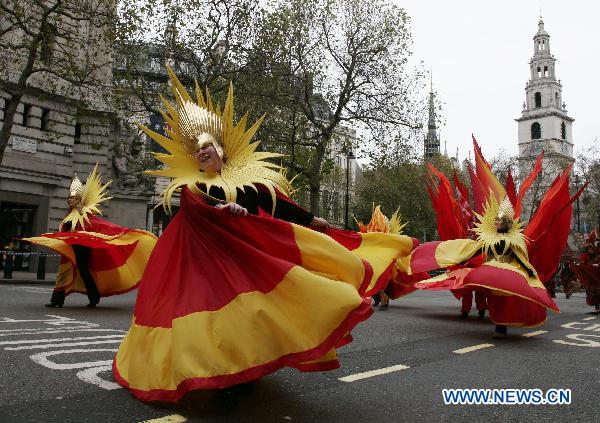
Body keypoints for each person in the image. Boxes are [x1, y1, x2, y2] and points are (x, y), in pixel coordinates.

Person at [114, 69, 403, 402]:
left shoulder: (248, 181)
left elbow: (276, 204)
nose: (201, 153)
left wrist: (314, 220)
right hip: (208, 263)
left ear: (221, 149)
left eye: (207, 147)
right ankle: (224, 373)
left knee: (254, 314)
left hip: (250, 260)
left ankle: (243, 369)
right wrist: (224, 211)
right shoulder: (194, 185)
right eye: (196, 151)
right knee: (219, 318)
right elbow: (197, 207)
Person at [24, 165, 157, 308]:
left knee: (83, 270)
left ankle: (93, 296)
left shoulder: (85, 214)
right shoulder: (69, 215)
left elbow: (96, 226)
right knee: (64, 271)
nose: (70, 200)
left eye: (73, 198)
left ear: (79, 200)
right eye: (69, 198)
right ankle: (57, 300)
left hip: (82, 248)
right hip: (70, 247)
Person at [570, 244, 600, 315]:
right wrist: (576, 264)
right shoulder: (586, 258)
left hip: (598, 278)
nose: (590, 250)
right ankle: (597, 310)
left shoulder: (598, 256)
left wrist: (598, 265)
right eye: (588, 249)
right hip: (591, 280)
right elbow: (583, 265)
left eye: (591, 249)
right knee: (593, 295)